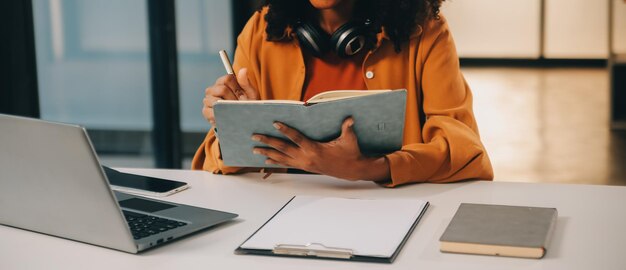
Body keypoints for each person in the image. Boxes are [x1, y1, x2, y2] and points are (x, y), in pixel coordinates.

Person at [192, 0, 494, 187]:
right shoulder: (261, 30)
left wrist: (370, 168)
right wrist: (234, 124)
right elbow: (212, 164)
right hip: (284, 216)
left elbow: (466, 153)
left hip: (390, 214)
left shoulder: (426, 30)